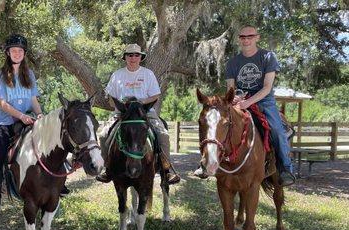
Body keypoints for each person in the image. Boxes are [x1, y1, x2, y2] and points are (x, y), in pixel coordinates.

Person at [194, 25, 295, 186]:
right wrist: (236, 99)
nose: (246, 39)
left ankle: (285, 168)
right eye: (243, 37)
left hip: (264, 101)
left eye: (250, 36)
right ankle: (206, 163)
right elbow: (231, 89)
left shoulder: (268, 57)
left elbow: (267, 87)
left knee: (277, 129)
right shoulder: (233, 62)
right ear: (239, 39)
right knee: (216, 124)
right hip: (240, 100)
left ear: (257, 37)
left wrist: (248, 102)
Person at [96, 43, 180, 185]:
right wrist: (120, 105)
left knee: (163, 135)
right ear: (125, 58)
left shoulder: (148, 74)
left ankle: (167, 169)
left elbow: (155, 96)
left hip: (145, 112)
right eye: (130, 55)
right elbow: (110, 98)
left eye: (136, 55)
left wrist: (140, 103)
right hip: (122, 114)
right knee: (104, 135)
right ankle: (107, 169)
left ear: (140, 57)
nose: (133, 58)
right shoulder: (117, 75)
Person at [0, 34, 43, 209]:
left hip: (27, 119)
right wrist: (21, 116)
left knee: (52, 142)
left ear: (24, 53)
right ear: (8, 53)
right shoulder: (0, 75)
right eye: (14, 50)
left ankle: (57, 181)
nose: (17, 53)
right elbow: (2, 103)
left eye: (20, 50)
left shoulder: (30, 75)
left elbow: (33, 99)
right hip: (7, 122)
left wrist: (40, 114)